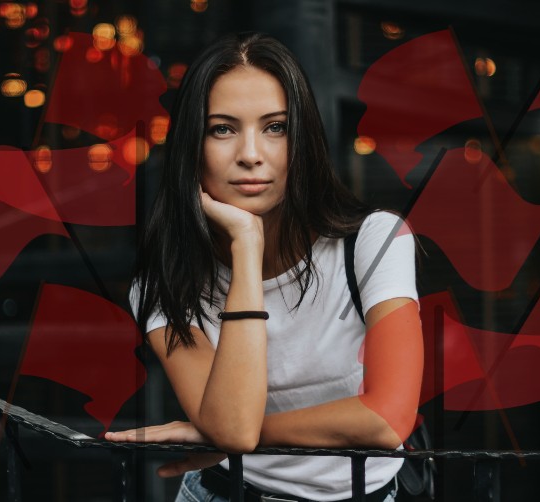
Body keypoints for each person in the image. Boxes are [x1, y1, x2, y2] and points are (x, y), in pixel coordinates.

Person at [105, 32, 424, 502]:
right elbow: (232, 427)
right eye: (222, 129)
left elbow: (386, 418)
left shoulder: (375, 242)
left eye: (275, 127)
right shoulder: (164, 282)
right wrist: (247, 246)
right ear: (192, 147)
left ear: (304, 140)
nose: (251, 154)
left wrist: (238, 435)